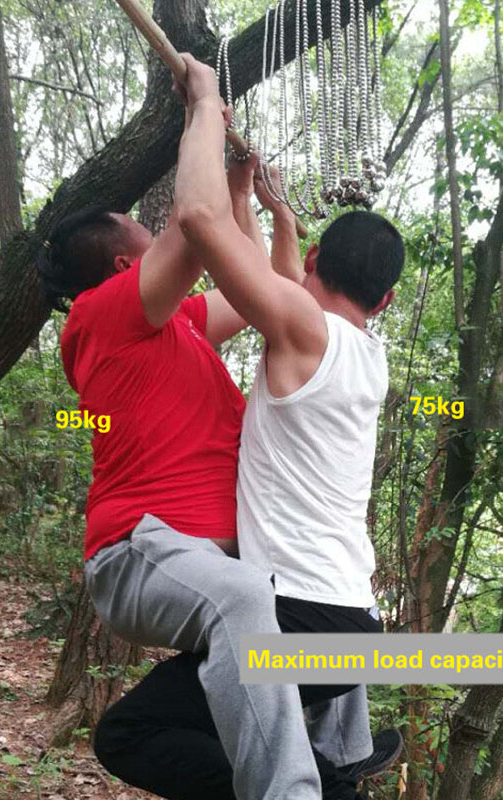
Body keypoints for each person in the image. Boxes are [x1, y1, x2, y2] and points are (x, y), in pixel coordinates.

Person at [91, 54, 405, 800]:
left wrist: (203, 106)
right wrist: (262, 207)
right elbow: (281, 287)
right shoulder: (364, 358)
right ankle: (337, 767)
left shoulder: (301, 329)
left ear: (319, 263)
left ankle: (309, 788)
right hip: (352, 630)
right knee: (224, 727)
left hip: (296, 623)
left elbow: (200, 226)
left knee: (132, 735)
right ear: (386, 303)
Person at [37, 113, 328, 798]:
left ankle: (341, 759)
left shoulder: (183, 327)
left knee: (321, 597)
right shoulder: (101, 316)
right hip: (137, 551)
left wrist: (246, 192)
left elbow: (255, 280)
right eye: (143, 226)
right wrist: (201, 105)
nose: (155, 225)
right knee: (243, 596)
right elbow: (195, 229)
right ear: (122, 264)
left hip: (211, 555)